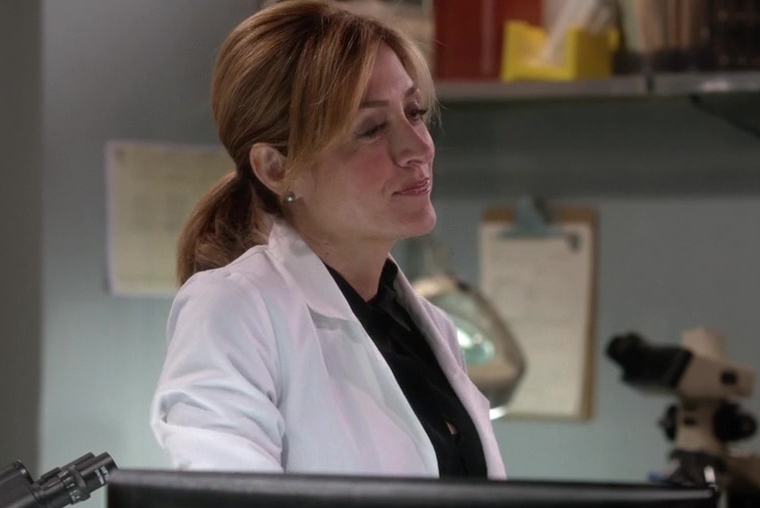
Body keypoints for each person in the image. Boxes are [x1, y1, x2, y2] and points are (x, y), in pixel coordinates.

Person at [150, 0, 504, 479]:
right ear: (277, 168)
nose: (418, 147)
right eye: (371, 129)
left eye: (414, 112)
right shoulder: (234, 309)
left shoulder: (432, 330)